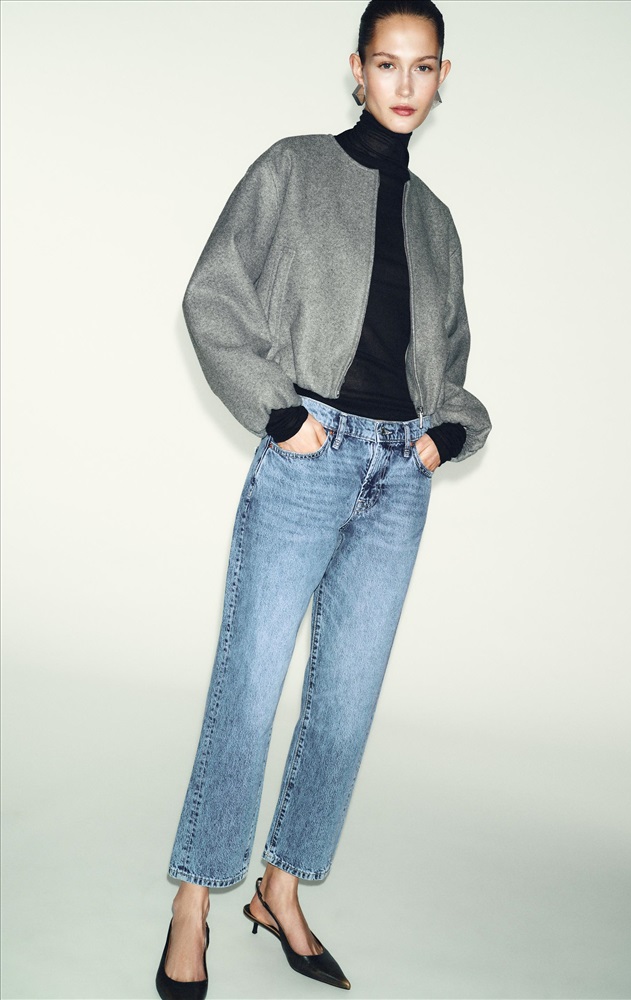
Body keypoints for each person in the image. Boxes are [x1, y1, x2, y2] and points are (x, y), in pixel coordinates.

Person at [155, 1, 491, 996]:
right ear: (356, 68)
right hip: (309, 458)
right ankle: (192, 903)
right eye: (386, 63)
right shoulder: (292, 169)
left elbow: (451, 364)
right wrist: (278, 412)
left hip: (399, 478)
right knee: (249, 688)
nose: (403, 84)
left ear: (441, 77)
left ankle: (283, 888)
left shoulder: (436, 223)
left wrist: (444, 433)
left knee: (345, 701)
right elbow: (212, 295)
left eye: (421, 67)